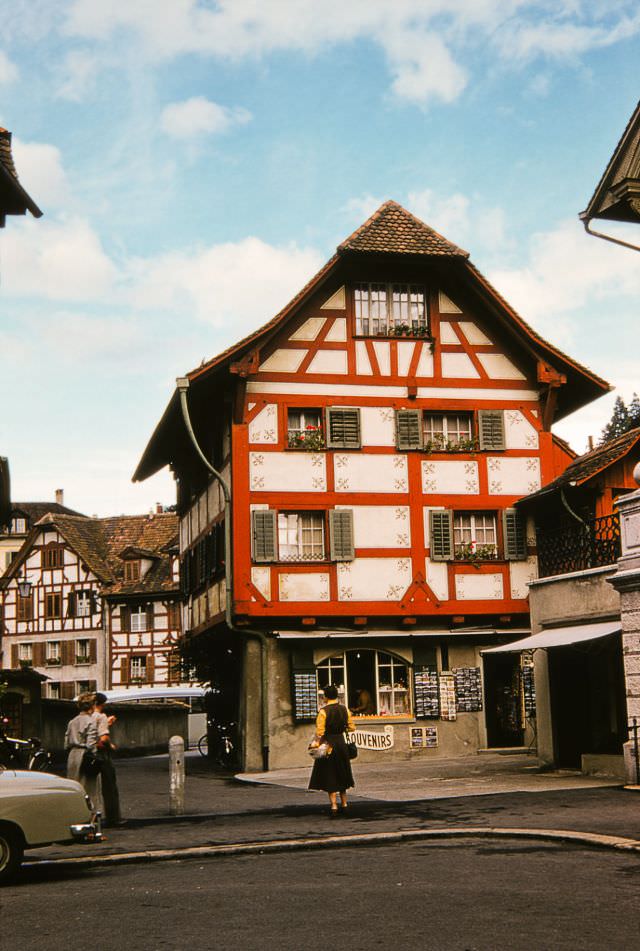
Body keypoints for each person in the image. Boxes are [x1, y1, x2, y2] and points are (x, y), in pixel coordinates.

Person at [308, 684, 355, 818]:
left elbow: (320, 731)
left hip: (328, 744)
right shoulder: (344, 709)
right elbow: (352, 727)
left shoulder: (323, 712)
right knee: (342, 772)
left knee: (330, 774)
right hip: (341, 744)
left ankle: (334, 805)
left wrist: (316, 743)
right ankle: (345, 803)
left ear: (325, 697)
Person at [93, 692, 123, 827]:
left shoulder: (86, 716)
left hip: (88, 753)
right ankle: (113, 817)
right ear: (102, 704)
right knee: (109, 785)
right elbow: (103, 738)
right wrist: (110, 746)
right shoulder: (101, 716)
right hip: (102, 754)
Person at [64, 693, 99, 801]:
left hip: (73, 755)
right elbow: (90, 744)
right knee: (89, 787)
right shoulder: (91, 721)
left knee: (74, 785)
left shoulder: (72, 721)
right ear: (92, 706)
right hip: (85, 755)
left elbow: (66, 743)